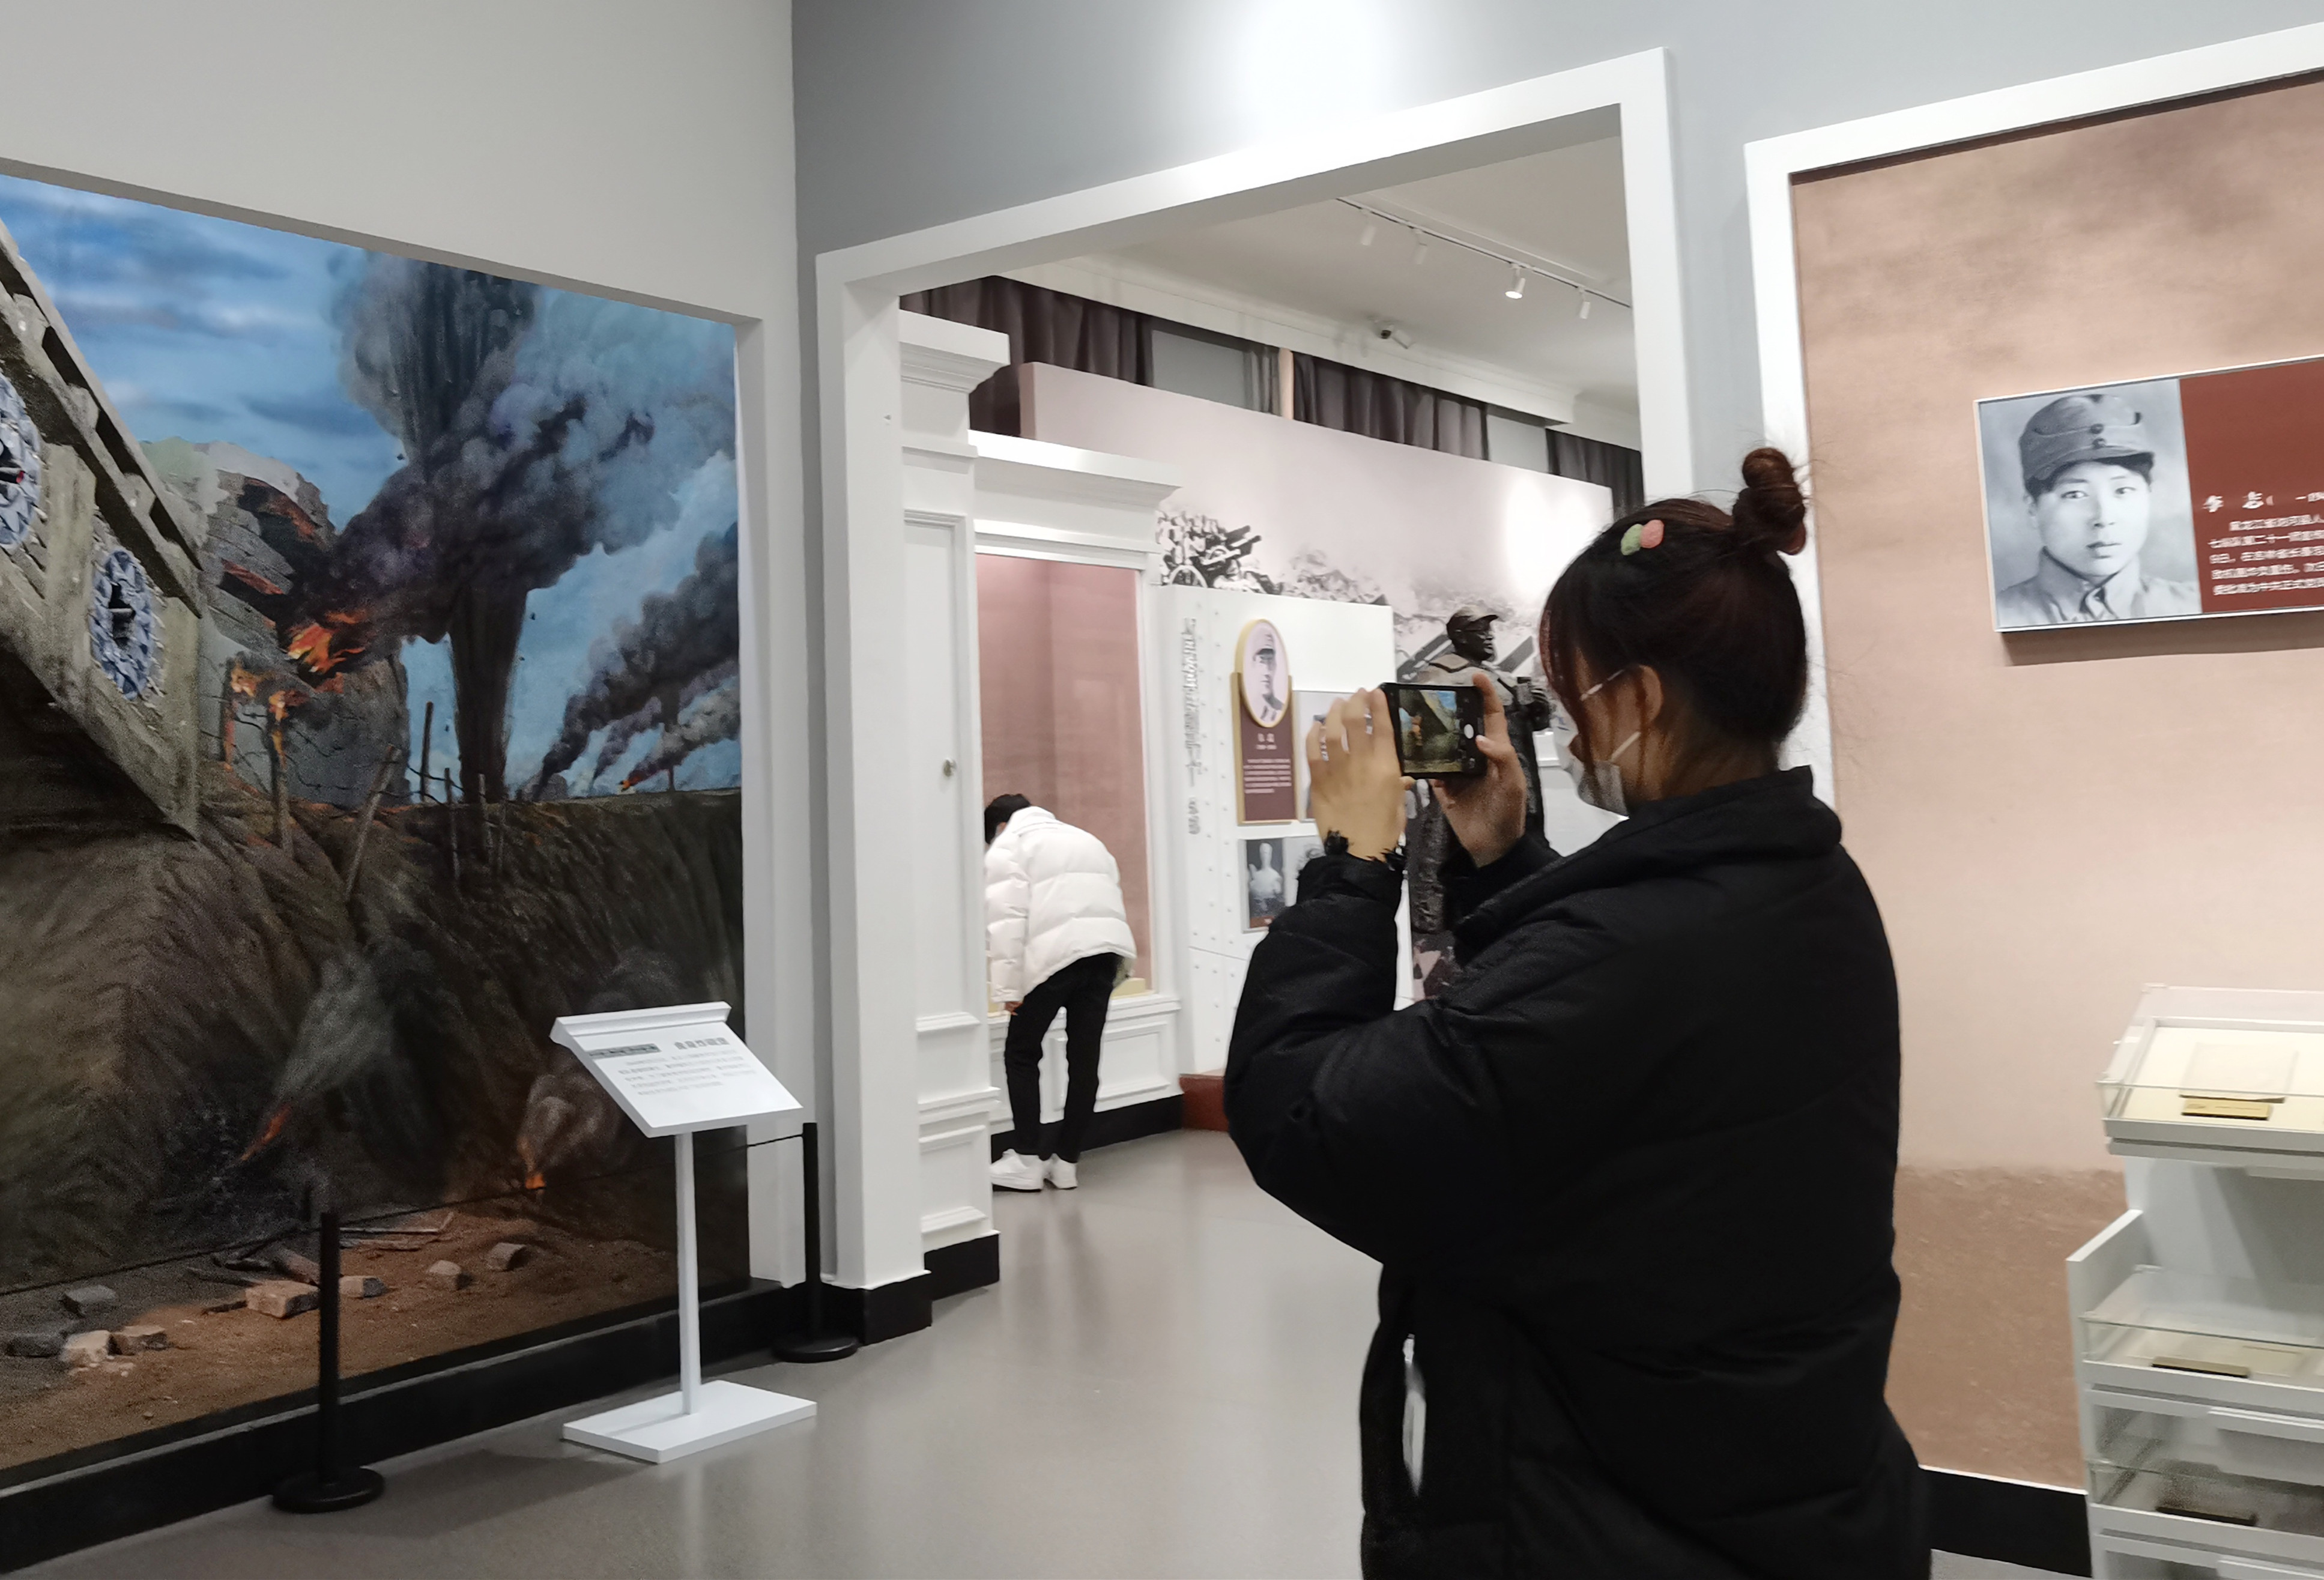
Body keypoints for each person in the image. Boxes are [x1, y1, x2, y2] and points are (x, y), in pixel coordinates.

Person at [1226, 449, 1926, 1578]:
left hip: (1608, 1516)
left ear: (1638, 699)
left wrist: (1351, 865)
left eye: (1573, 694)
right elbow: (1594, 1075)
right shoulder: (1806, 883)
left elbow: (1300, 1112)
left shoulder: (1632, 948)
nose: (1566, 729)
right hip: (1787, 1478)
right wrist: (1505, 861)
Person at [984, 794, 1136, 1192]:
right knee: (1084, 1061)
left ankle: (1027, 1159)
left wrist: (1008, 989)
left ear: (1000, 827)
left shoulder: (1011, 844)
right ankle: (1067, 1162)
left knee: (1021, 1053)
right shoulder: (1087, 839)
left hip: (1053, 959)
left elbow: (1006, 921)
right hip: (1104, 955)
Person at [1994, 392, 2198, 626]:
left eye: (2123, 491)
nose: (2103, 518)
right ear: (2033, 509)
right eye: (2075, 495)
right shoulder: (1997, 617)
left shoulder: (2193, 606)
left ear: (2148, 496)